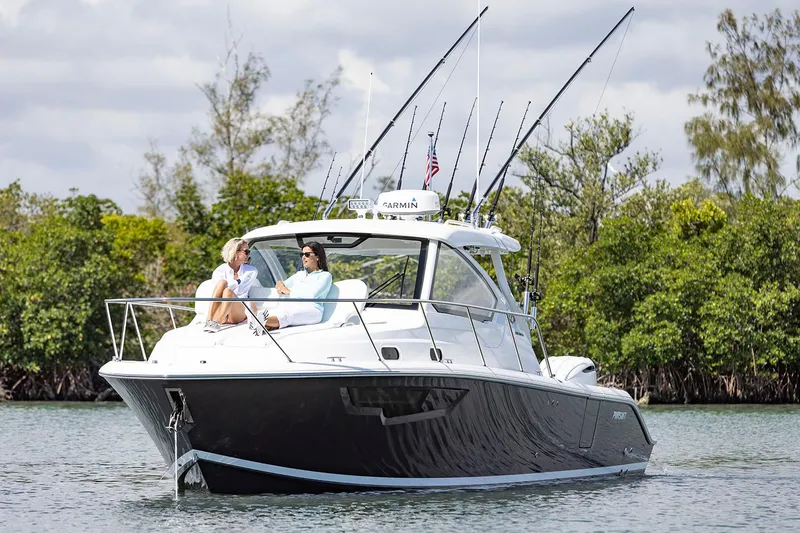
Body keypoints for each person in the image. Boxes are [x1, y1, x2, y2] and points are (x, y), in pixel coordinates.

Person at [250, 241, 333, 334]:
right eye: (302, 254)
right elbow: (282, 284)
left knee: (289, 315)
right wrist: (280, 284)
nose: (303, 257)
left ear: (317, 257)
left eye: (307, 254)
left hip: (312, 309)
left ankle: (261, 322)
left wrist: (288, 292)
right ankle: (264, 324)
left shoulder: (325, 276)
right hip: (293, 305)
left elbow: (312, 295)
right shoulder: (299, 274)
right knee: (281, 311)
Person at [204, 238, 259, 333]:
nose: (248, 254)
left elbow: (238, 292)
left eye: (249, 252)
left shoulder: (251, 271)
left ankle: (215, 322)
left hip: (238, 312)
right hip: (222, 311)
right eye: (246, 252)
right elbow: (218, 294)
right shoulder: (219, 271)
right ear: (234, 252)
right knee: (222, 283)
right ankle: (209, 320)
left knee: (227, 291)